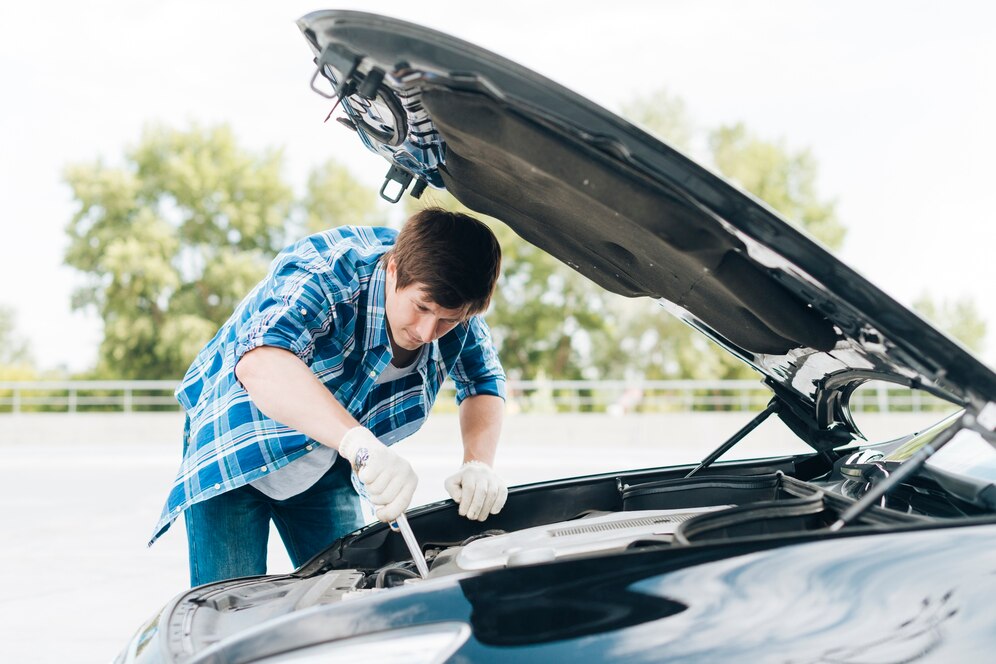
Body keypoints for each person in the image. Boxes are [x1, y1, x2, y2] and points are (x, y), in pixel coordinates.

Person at [148, 208, 508, 586]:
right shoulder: (326, 270)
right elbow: (261, 363)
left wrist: (478, 464)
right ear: (393, 268)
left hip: (324, 462)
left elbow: (483, 379)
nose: (427, 331)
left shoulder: (455, 300)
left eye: (447, 320)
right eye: (421, 308)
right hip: (236, 449)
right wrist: (360, 445)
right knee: (228, 613)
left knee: (348, 598)